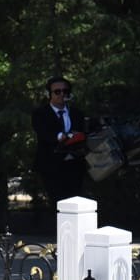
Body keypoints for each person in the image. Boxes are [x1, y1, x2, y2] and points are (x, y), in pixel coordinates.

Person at [31, 76, 88, 206]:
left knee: (75, 201)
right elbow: (43, 132)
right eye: (57, 91)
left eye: (65, 91)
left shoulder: (77, 113)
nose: (62, 94)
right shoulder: (40, 113)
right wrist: (60, 136)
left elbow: (83, 133)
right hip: (51, 165)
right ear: (49, 94)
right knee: (58, 203)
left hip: (74, 165)